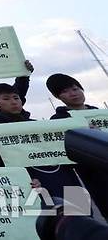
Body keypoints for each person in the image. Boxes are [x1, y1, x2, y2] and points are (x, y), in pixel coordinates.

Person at [0, 83, 79, 200]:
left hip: (66, 177)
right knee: (55, 216)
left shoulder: (39, 124)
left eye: (16, 98)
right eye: (6, 99)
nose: (13, 102)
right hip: (36, 185)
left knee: (84, 213)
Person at [45, 73, 108, 218]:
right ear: (58, 97)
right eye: (65, 91)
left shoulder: (100, 114)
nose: (73, 94)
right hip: (92, 175)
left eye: (75, 89)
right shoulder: (58, 120)